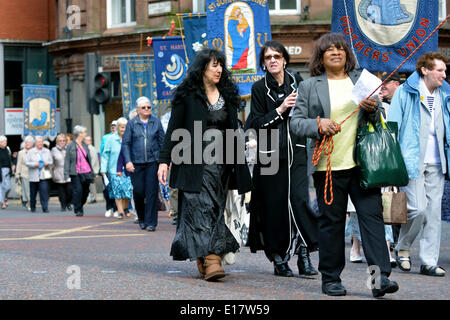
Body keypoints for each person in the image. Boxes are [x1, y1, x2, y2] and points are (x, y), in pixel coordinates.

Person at [290, 32, 398, 297]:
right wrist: (318, 124)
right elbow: (295, 122)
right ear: (321, 57)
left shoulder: (361, 80)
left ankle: (378, 279)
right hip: (327, 168)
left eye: (340, 49)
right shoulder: (309, 86)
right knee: (332, 224)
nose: (336, 52)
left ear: (347, 54)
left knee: (371, 221)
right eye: (330, 50)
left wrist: (373, 107)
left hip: (362, 166)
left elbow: (377, 116)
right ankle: (331, 279)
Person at [157, 48, 252, 281]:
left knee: (214, 209)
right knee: (202, 208)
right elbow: (173, 131)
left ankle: (202, 257)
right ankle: (212, 259)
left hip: (222, 164)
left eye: (221, 65)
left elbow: (234, 130)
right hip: (192, 163)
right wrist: (163, 161)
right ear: (202, 68)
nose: (219, 69)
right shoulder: (187, 95)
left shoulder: (228, 94)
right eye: (214, 65)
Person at [244, 40, 319, 278]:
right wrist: (280, 109)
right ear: (263, 63)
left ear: (285, 59)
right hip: (270, 155)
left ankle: (304, 255)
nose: (273, 60)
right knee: (274, 207)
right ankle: (279, 258)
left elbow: (311, 113)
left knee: (299, 201)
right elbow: (254, 123)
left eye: (277, 56)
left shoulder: (299, 82)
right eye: (268, 57)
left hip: (296, 152)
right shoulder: (258, 88)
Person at [388, 52, 449, 277]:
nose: (444, 74)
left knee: (433, 213)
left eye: (444, 70)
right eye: (439, 70)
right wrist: (393, 162)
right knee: (418, 209)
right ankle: (403, 246)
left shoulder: (446, 94)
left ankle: (428, 262)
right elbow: (392, 127)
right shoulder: (406, 92)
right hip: (411, 160)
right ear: (425, 70)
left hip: (438, 161)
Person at [122, 97, 164, 232]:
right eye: (144, 107)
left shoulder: (156, 122)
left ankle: (151, 222)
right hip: (136, 162)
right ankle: (141, 218)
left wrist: (163, 161)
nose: (147, 109)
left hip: (153, 162)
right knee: (139, 191)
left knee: (151, 192)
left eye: (149, 107)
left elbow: (162, 142)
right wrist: (128, 161)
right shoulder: (132, 124)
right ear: (138, 109)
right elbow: (126, 144)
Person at [100, 117, 133, 219]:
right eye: (122, 127)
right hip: (114, 169)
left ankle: (126, 208)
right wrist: (103, 169)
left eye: (125, 127)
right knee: (117, 191)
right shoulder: (111, 139)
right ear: (118, 128)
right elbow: (105, 155)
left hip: (128, 169)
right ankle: (120, 211)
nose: (124, 129)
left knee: (128, 190)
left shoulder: (131, 138)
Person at [64, 126, 94, 217]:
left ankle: (80, 204)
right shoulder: (70, 145)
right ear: (79, 134)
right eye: (84, 132)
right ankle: (78, 209)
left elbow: (88, 159)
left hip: (86, 171)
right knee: (78, 190)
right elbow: (67, 160)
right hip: (75, 172)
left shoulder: (85, 145)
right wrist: (66, 174)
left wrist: (92, 172)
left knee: (85, 192)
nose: (85, 134)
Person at [25, 136, 53, 213]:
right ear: (35, 143)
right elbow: (26, 162)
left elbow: (51, 161)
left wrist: (48, 163)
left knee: (44, 191)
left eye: (41, 142)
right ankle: (33, 206)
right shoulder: (31, 151)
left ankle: (45, 207)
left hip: (44, 175)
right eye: (39, 142)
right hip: (34, 175)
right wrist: (35, 164)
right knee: (33, 193)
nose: (40, 143)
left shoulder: (47, 151)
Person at [51, 134, 73, 212]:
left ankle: (68, 203)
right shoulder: (54, 150)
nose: (62, 142)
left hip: (68, 172)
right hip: (58, 171)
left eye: (63, 141)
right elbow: (52, 161)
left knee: (69, 190)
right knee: (61, 191)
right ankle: (63, 205)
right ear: (57, 142)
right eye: (60, 141)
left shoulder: (69, 149)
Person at [101, 121, 118, 217]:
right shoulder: (106, 138)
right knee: (108, 189)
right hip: (108, 168)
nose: (113, 128)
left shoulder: (122, 137)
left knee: (117, 190)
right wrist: (103, 169)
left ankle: (116, 209)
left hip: (119, 168)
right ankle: (108, 207)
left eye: (115, 126)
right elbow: (103, 153)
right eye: (112, 126)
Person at [16, 136, 34, 210]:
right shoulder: (21, 153)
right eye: (26, 142)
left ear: (32, 144)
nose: (27, 144)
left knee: (32, 189)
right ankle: (29, 202)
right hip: (24, 174)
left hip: (34, 173)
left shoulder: (34, 151)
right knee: (27, 189)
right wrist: (17, 174)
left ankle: (29, 201)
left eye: (29, 142)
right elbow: (19, 164)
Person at [85, 135, 100, 204]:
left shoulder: (92, 149)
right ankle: (90, 198)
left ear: (90, 141)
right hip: (87, 169)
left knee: (92, 185)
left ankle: (93, 198)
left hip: (91, 170)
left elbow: (94, 161)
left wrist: (94, 171)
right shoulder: (85, 148)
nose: (86, 141)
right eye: (85, 140)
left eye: (88, 140)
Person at [0, 135, 13, 209]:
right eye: (4, 141)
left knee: (8, 187)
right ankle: (3, 203)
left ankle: (5, 197)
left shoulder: (7, 149)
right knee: (2, 187)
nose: (5, 142)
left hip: (7, 170)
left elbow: (10, 159)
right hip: (1, 170)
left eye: (6, 141)